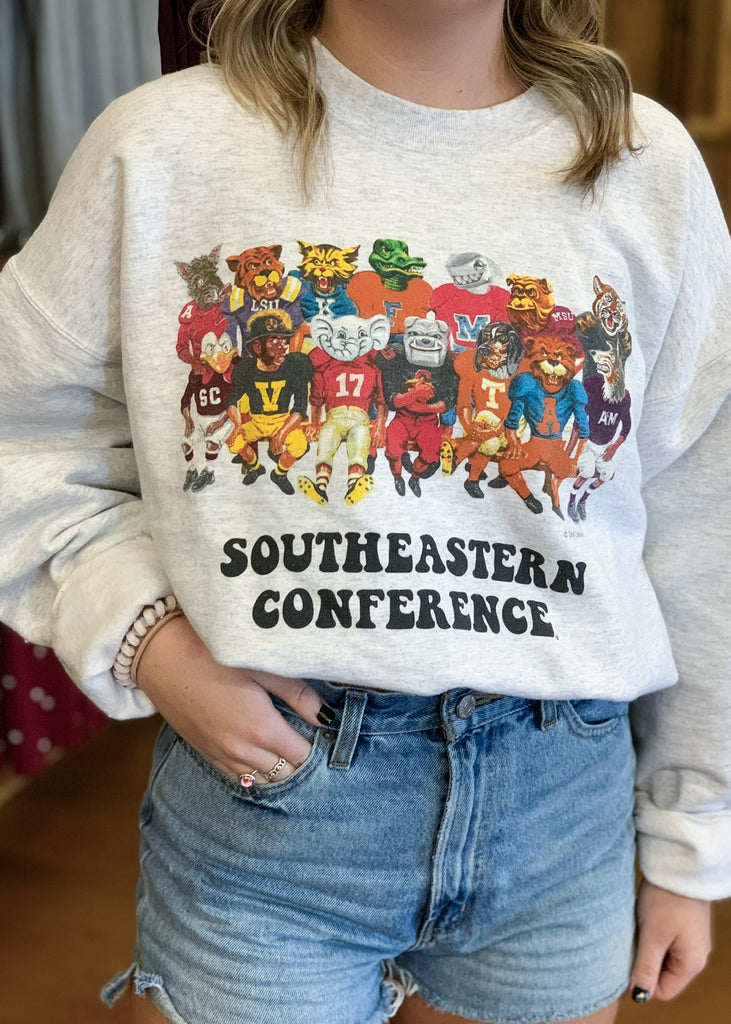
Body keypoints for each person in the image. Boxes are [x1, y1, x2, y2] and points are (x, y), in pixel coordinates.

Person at [0, 1, 728, 1022]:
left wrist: (690, 839)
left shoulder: (645, 165)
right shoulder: (158, 145)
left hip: (562, 807)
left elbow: (700, 527)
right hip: (267, 808)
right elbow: (20, 438)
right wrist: (143, 633)